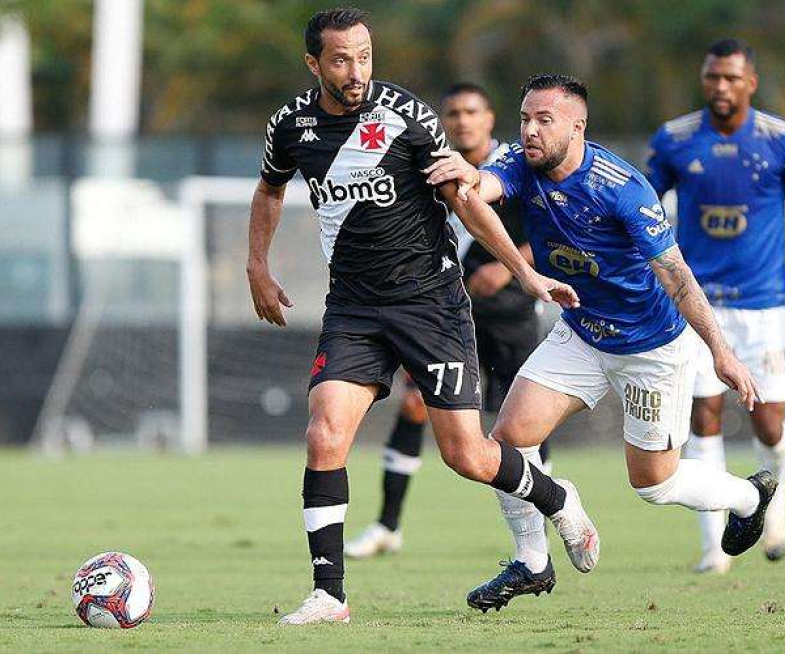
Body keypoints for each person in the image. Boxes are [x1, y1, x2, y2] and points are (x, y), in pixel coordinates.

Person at [249, 8, 590, 626]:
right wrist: (257, 266)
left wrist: (524, 273)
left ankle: (557, 497)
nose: (356, 71)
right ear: (313, 63)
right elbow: (270, 190)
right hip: (352, 307)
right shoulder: (291, 125)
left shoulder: (406, 116)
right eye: (341, 60)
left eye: (365, 56)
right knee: (324, 434)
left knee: (467, 455)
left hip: (430, 305)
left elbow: (464, 201)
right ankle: (329, 595)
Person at [424, 73, 772, 613]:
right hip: (582, 332)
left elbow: (677, 276)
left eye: (545, 120)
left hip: (650, 347)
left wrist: (721, 352)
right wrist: (470, 176)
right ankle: (532, 562)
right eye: (525, 118)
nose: (530, 130)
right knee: (509, 438)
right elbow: (484, 187)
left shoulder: (623, 188)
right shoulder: (519, 161)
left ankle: (750, 496)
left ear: (577, 127)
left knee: (653, 484)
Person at [645, 39, 785, 574]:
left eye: (731, 77)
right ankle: (715, 546)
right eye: (712, 77)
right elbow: (641, 212)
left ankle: (775, 494)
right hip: (696, 306)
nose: (720, 86)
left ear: (751, 82)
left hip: (764, 308)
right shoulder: (675, 140)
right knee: (703, 415)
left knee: (768, 424)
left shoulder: (782, 141)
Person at [345, 83, 550, 560]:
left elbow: (552, 229)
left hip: (512, 314)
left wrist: (509, 267)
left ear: (490, 118)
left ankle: (544, 525)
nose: (462, 121)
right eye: (453, 113)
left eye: (471, 112)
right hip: (445, 314)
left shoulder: (514, 166)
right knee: (414, 403)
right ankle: (387, 525)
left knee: (526, 425)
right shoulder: (427, 164)